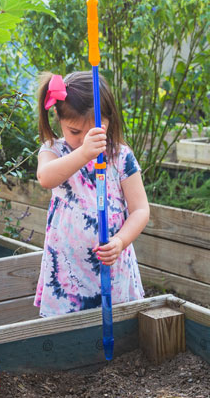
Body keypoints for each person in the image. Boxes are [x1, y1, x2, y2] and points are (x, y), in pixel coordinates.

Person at [34, 71, 150, 317]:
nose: (82, 140)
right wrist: (85, 153)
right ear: (58, 117)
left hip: (112, 264)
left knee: (120, 328)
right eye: (75, 132)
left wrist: (120, 241)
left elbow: (140, 209)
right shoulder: (54, 150)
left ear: (109, 120)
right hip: (67, 269)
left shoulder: (120, 156)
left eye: (95, 131)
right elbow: (45, 177)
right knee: (69, 333)